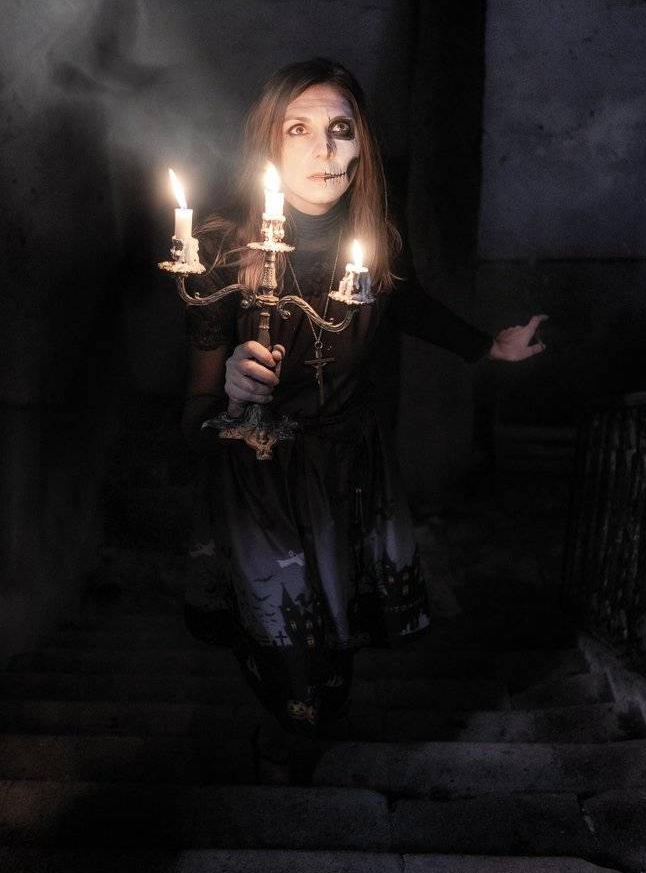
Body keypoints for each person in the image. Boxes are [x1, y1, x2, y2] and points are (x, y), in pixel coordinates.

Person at [180, 58, 547, 778]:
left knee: (336, 629)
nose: (323, 149)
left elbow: (402, 301)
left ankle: (310, 727)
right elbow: (194, 402)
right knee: (287, 637)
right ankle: (294, 733)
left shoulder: (370, 239)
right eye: (300, 129)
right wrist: (227, 385)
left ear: (362, 145)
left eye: (340, 130)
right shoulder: (221, 246)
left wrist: (486, 347)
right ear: (269, 145)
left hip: (349, 464)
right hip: (260, 471)